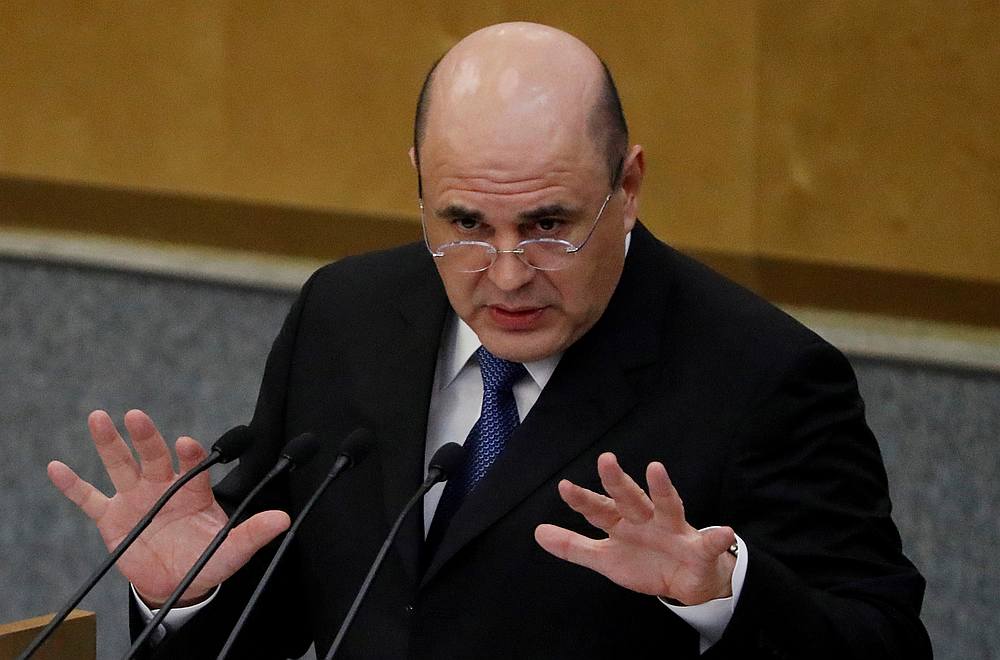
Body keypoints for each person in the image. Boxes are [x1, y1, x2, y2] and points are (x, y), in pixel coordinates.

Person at [48, 22, 931, 658]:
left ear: (628, 187)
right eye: (464, 222)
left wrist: (725, 597)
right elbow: (280, 611)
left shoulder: (764, 378)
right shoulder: (346, 317)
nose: (506, 275)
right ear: (418, 186)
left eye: (550, 225)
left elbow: (883, 640)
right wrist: (191, 591)